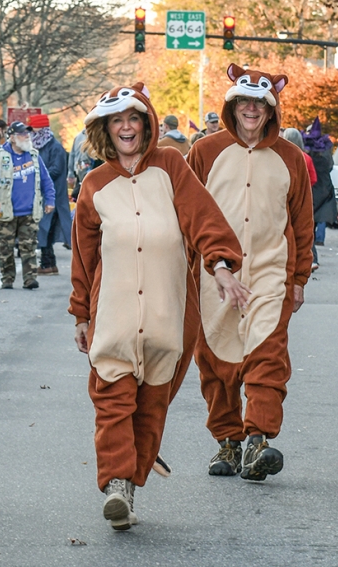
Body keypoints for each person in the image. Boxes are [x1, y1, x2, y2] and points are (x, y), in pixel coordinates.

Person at [70, 83, 246, 530]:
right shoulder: (94, 185)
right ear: (105, 129)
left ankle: (132, 479)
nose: (126, 127)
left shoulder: (171, 166)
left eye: (133, 119)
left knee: (151, 406)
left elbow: (202, 217)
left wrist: (221, 265)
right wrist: (81, 314)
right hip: (114, 313)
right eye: (117, 121)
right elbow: (84, 257)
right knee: (112, 400)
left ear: (147, 124)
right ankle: (116, 485)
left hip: (170, 312)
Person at [186, 64, 314, 481]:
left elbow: (302, 223)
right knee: (216, 361)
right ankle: (228, 441)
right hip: (213, 275)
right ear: (232, 105)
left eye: (260, 103)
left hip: (270, 272)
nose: (251, 110)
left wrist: (298, 280)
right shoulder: (205, 151)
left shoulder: (291, 157)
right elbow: (186, 212)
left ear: (271, 109)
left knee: (267, 357)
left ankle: (259, 439)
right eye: (244, 102)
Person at [0, 121, 55, 289]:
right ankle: (7, 278)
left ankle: (29, 279)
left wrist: (50, 200)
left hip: (29, 211)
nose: (27, 136)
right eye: (22, 134)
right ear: (12, 137)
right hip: (6, 212)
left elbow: (46, 180)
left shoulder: (34, 155)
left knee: (29, 247)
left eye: (28, 133)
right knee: (6, 248)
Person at [29, 114, 71, 275]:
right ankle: (48, 263)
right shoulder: (38, 146)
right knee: (44, 229)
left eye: (33, 127)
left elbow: (56, 169)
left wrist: (38, 176)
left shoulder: (55, 147)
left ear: (40, 127)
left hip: (54, 196)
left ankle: (47, 263)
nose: (31, 131)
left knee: (46, 228)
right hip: (42, 194)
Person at [282, 128, 319, 270]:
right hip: (304, 196)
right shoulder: (307, 158)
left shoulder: (281, 156)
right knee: (304, 227)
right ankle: (312, 258)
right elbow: (314, 178)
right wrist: (305, 187)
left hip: (285, 195)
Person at [303, 117, 336, 248]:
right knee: (323, 212)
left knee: (313, 211)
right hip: (324, 183)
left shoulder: (307, 150)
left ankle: (312, 237)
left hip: (313, 184)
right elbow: (330, 165)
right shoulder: (326, 150)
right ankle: (320, 238)